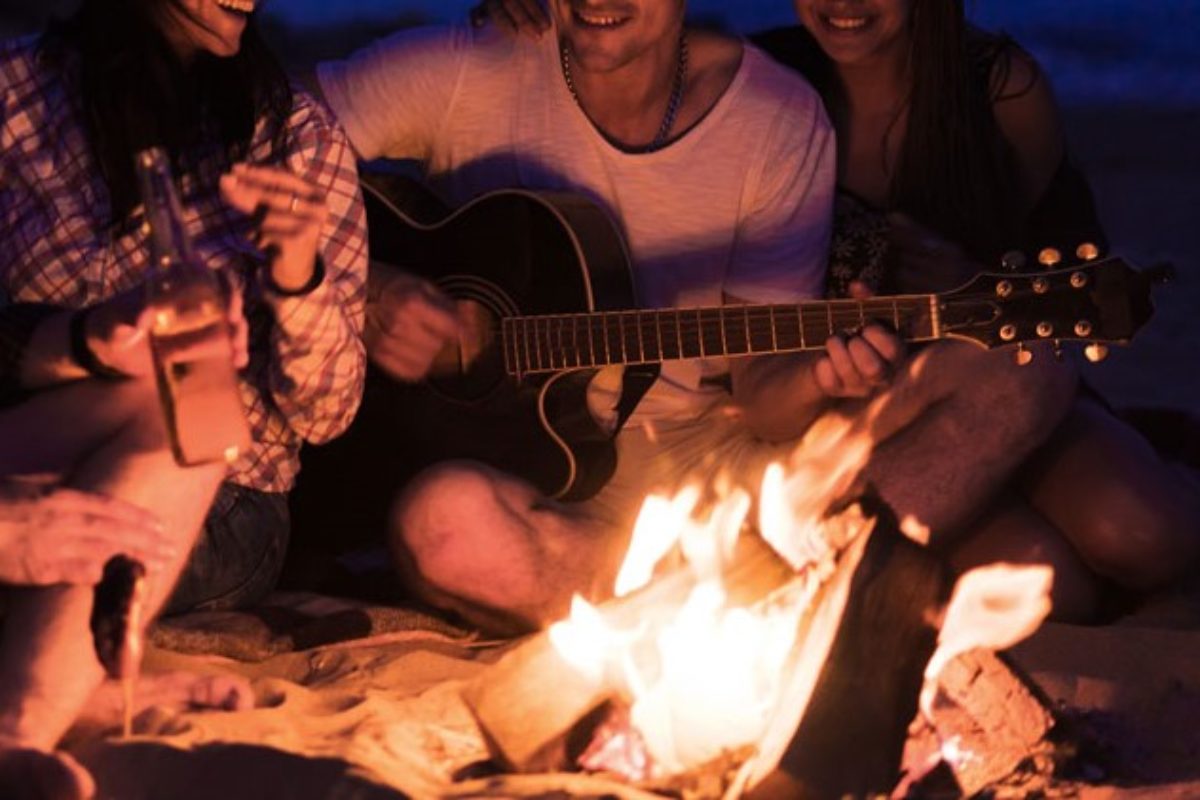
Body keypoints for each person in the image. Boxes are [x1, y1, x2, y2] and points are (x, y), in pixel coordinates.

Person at [313, 0, 1076, 635]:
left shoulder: (773, 117)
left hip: (715, 465)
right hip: (532, 484)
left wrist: (816, 374)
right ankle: (765, 598)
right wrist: (369, 287)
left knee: (1027, 369)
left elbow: (766, 401)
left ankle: (706, 596)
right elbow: (240, 144)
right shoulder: (465, 67)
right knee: (443, 527)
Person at [479, 0, 1200, 622]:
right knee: (1053, 585)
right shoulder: (759, 82)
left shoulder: (1001, 91)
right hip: (856, 421)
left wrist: (971, 275)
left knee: (1139, 534)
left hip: (992, 375)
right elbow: (616, 49)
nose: (842, 1)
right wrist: (524, 15)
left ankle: (1166, 448)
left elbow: (1076, 271)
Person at [0, 0, 367, 794]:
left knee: (195, 399)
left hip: (226, 498)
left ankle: (20, 727)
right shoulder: (21, 95)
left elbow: (329, 415)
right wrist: (85, 340)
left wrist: (298, 275)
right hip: (50, 438)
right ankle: (64, 691)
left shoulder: (294, 139)